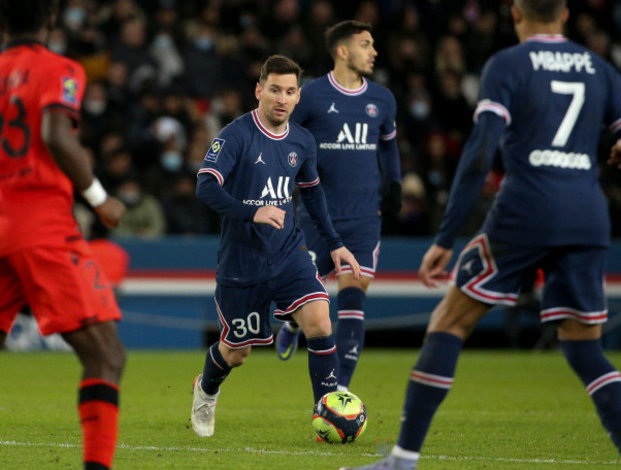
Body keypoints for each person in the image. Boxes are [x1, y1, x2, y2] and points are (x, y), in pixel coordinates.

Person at [341, 1, 621, 469]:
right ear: (566, 13)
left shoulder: (508, 64)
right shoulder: (601, 69)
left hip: (527, 207)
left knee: (450, 321)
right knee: (584, 346)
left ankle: (403, 459)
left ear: (514, 12)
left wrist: (446, 236)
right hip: (587, 213)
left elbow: (479, 152)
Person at [0, 2, 126, 469]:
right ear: (52, 20)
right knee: (107, 355)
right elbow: (57, 134)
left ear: (0, 22)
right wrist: (100, 198)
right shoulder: (59, 69)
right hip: (40, 225)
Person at [191, 54, 361, 437]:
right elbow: (205, 186)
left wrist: (334, 243)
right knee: (237, 353)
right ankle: (206, 389)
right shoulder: (235, 135)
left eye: (289, 92)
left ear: (298, 96)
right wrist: (252, 212)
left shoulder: (302, 141)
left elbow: (313, 194)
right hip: (242, 262)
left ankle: (326, 415)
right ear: (259, 91)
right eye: (274, 90)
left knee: (319, 320)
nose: (281, 99)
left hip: (289, 254)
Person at [275, 20, 401, 392]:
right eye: (366, 44)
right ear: (343, 51)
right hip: (318, 218)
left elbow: (390, 144)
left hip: (364, 218)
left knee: (352, 302)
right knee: (306, 300)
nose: (374, 51)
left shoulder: (382, 99)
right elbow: (285, 140)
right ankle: (293, 323)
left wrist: (393, 184)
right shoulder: (311, 96)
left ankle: (340, 392)